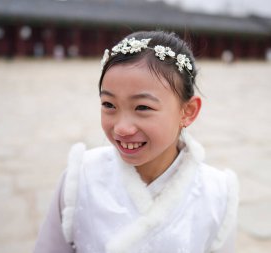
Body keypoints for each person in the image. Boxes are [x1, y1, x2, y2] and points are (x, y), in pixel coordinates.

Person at [34, 31, 239, 253]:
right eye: (109, 105)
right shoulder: (80, 177)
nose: (122, 127)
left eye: (142, 107)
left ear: (187, 111)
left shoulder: (217, 194)